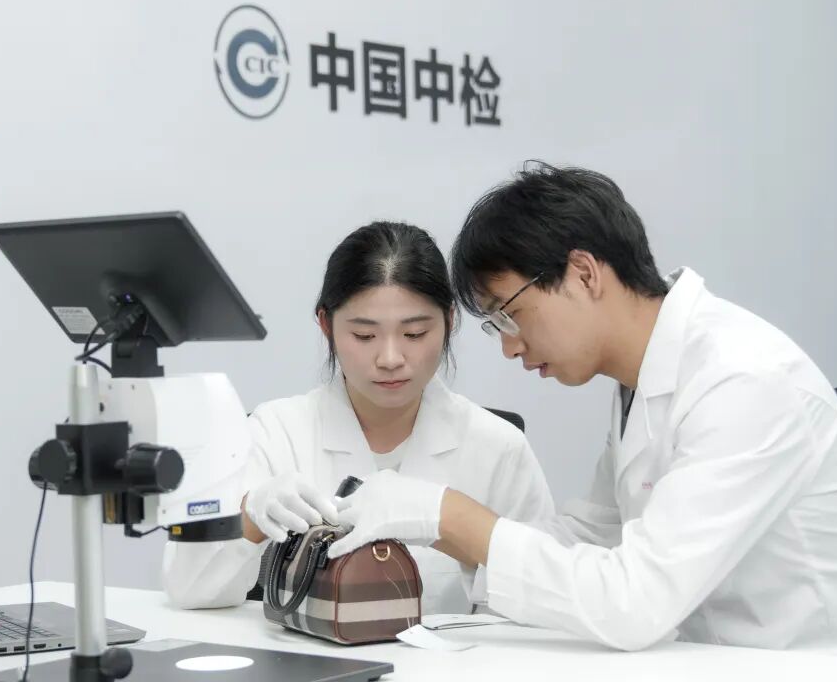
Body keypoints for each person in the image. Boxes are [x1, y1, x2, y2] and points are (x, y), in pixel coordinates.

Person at [328, 162, 837, 652]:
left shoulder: (741, 380)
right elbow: (592, 536)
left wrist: (450, 515)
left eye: (508, 314)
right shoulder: (642, 382)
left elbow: (635, 604)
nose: (509, 346)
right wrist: (438, 530)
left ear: (583, 273)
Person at [162, 220, 554, 614]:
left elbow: (542, 596)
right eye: (364, 336)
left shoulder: (497, 447)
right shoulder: (275, 431)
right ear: (326, 325)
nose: (390, 358)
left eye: (415, 333)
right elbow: (189, 590)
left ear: (449, 321)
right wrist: (249, 516)